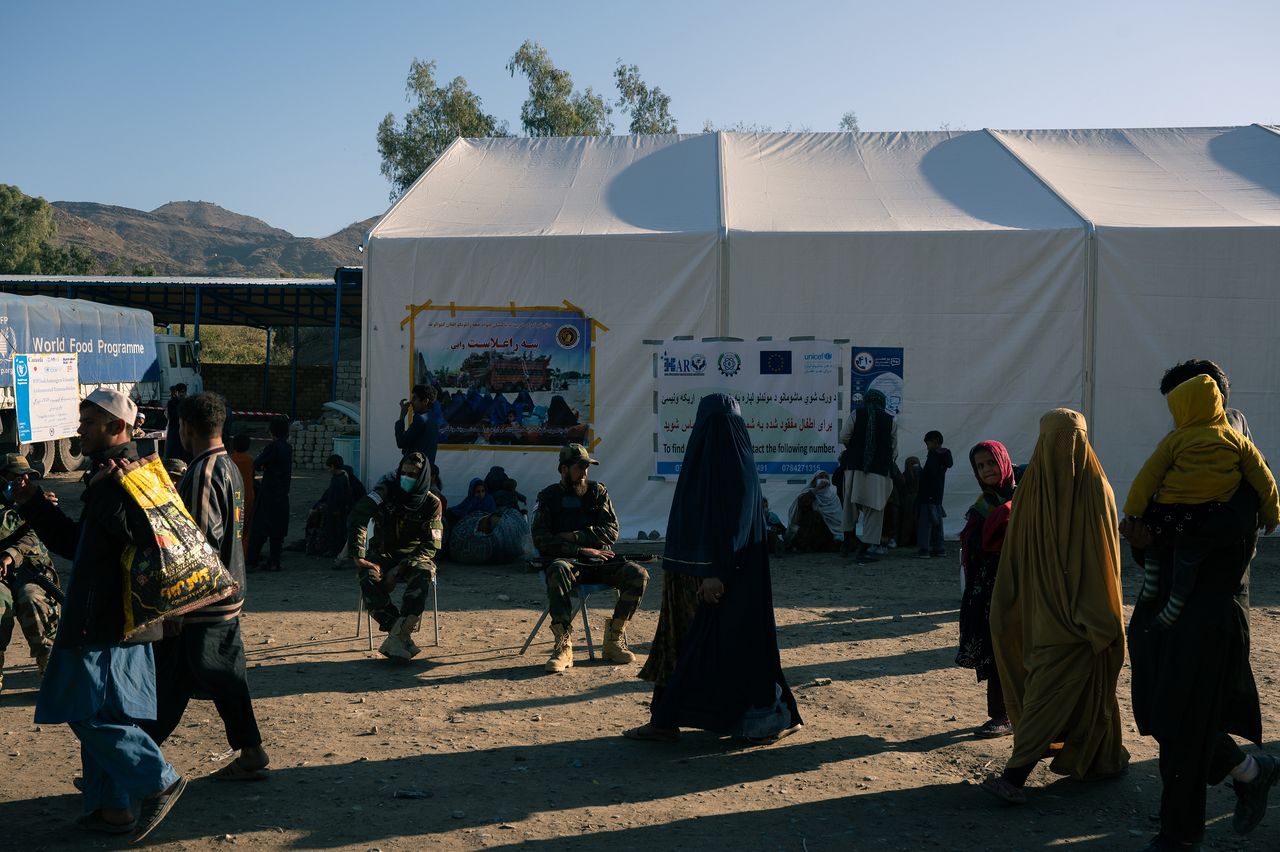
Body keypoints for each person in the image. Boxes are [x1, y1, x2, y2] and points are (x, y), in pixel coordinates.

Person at [14, 388, 185, 840]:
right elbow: (78, 547)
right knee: (110, 714)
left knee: (84, 710)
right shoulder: (105, 476)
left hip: (109, 622)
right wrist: (33, 504)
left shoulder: (131, 474)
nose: (80, 431)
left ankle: (158, 780)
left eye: (89, 423)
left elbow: (144, 536)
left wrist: (106, 492)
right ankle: (113, 812)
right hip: (114, 619)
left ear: (116, 427)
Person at [1124, 361, 1280, 849]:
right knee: (1162, 712)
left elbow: (1226, 528)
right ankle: (1251, 772)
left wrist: (1160, 527)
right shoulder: (1178, 456)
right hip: (1162, 609)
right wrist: (1143, 534)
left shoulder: (1236, 461)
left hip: (1209, 615)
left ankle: (1179, 833)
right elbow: (1145, 524)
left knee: (1184, 721)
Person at [624, 394, 802, 744]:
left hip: (715, 581)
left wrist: (715, 571)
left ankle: (760, 717)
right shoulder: (710, 463)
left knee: (711, 648)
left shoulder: (736, 465)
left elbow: (733, 527)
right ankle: (665, 720)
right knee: (681, 646)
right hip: (688, 576)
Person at [980, 409, 1129, 805]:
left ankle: (1016, 777)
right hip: (1057, 619)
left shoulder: (1086, 490)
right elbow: (1017, 559)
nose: (1066, 451)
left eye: (1072, 441)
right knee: (1064, 692)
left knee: (1069, 693)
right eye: (1058, 441)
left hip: (1076, 621)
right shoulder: (1039, 493)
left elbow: (1103, 561)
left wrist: (1092, 617)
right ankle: (1100, 760)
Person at [141, 391, 269, 781]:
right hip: (227, 594)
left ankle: (128, 766)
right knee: (223, 679)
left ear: (186, 428)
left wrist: (177, 606)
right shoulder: (229, 466)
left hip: (202, 601)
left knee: (170, 685)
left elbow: (196, 544)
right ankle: (251, 751)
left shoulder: (203, 473)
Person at [1122, 375, 1278, 631]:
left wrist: (1133, 512)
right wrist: (1273, 515)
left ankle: (1157, 586)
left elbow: (1146, 478)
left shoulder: (1175, 441)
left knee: (1163, 539)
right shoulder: (1237, 442)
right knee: (1186, 556)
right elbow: (1266, 482)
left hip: (1172, 515)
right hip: (1208, 521)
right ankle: (1174, 600)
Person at [531, 443, 648, 672]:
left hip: (599, 562)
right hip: (569, 564)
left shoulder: (598, 492)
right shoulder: (548, 497)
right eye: (579, 467)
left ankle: (614, 640)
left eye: (587, 467)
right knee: (557, 569)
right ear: (564, 469)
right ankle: (563, 645)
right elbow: (541, 539)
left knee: (638, 574)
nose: (585, 473)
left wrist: (576, 536)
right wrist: (580, 550)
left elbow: (611, 531)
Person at [348, 452, 443, 661]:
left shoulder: (432, 503)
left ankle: (397, 637)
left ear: (423, 476)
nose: (407, 478)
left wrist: (398, 570)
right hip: (381, 552)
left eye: (413, 474)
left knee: (423, 575)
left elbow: (431, 544)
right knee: (367, 575)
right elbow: (359, 514)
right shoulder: (385, 490)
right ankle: (399, 635)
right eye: (404, 472)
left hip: (413, 555)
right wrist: (357, 554)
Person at [955, 441, 1016, 739]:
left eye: (991, 463)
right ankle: (1001, 715)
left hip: (1026, 585)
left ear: (1003, 461)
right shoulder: (981, 508)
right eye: (980, 466)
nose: (987, 470)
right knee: (997, 651)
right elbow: (975, 551)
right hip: (993, 590)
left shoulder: (1028, 494)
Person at [0, 454, 59, 692]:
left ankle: (51, 672)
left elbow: (38, 535)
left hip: (31, 572)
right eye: (13, 477)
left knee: (32, 599)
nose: (21, 481)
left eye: (25, 476)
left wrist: (11, 554)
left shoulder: (37, 500)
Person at [839, 389, 897, 563]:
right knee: (874, 509)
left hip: (854, 468)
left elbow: (844, 436)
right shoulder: (889, 420)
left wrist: (856, 450)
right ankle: (864, 550)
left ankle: (847, 544)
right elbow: (894, 449)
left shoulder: (857, 414)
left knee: (850, 505)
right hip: (878, 472)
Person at [246, 416, 292, 572]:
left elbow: (257, 464)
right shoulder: (287, 448)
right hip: (282, 493)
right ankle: (274, 561)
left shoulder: (273, 447)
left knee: (260, 528)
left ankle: (252, 559)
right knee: (277, 532)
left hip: (269, 493)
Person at [305, 454, 358, 557]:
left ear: (333, 466)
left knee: (335, 532)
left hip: (336, 512)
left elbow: (339, 497)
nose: (328, 470)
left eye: (329, 468)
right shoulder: (341, 478)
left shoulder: (339, 480)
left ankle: (334, 550)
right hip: (335, 510)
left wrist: (336, 510)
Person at [914, 430, 952, 558]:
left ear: (935, 442)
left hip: (927, 493)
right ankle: (939, 547)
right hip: (937, 493)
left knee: (925, 523)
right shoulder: (945, 456)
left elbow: (929, 473)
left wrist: (919, 471)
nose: (927, 447)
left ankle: (924, 549)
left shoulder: (933, 455)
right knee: (938, 522)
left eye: (928, 444)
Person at [785, 471, 842, 552]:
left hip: (828, 531)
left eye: (826, 477)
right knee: (814, 516)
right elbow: (802, 503)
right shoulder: (809, 492)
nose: (824, 479)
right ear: (814, 481)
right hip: (809, 531)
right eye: (821, 477)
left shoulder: (834, 498)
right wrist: (817, 489)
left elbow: (838, 520)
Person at [395, 384, 439, 466]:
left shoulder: (420, 419)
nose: (411, 402)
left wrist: (402, 415)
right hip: (425, 470)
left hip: (414, 470)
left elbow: (401, 442)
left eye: (414, 398)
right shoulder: (431, 417)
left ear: (425, 401)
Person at [229, 433, 256, 558]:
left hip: (234, 496)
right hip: (248, 496)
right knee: (246, 529)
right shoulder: (250, 460)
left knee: (234, 526)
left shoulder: (230, 460)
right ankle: (243, 555)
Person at [895, 455, 922, 549]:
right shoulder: (920, 473)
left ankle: (905, 540)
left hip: (908, 502)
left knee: (908, 522)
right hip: (914, 501)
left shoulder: (905, 475)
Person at [163, 383, 189, 463]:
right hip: (174, 431)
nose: (181, 394)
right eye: (179, 392)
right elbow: (172, 417)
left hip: (185, 431)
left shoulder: (188, 403)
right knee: (173, 454)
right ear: (176, 392)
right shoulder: (171, 403)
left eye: (183, 392)